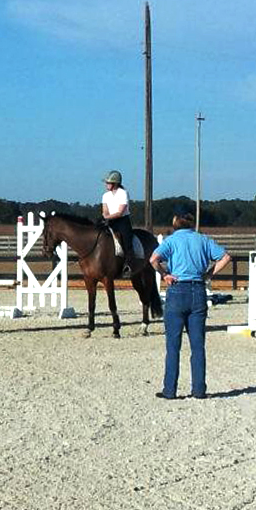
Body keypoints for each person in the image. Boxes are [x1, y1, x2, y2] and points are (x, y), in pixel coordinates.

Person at [149, 212, 231, 400]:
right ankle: (199, 389)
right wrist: (209, 274)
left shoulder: (171, 241)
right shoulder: (202, 239)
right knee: (197, 345)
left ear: (175, 224)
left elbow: (153, 259)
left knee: (173, 345)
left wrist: (165, 274)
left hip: (177, 290)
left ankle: (170, 390)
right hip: (198, 290)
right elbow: (225, 257)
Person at [101, 170, 138, 277]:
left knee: (127, 241)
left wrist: (107, 217)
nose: (106, 184)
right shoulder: (105, 195)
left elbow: (120, 212)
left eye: (108, 182)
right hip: (109, 220)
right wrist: (106, 217)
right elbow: (105, 210)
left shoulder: (123, 193)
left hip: (122, 220)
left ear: (115, 183)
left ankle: (129, 265)